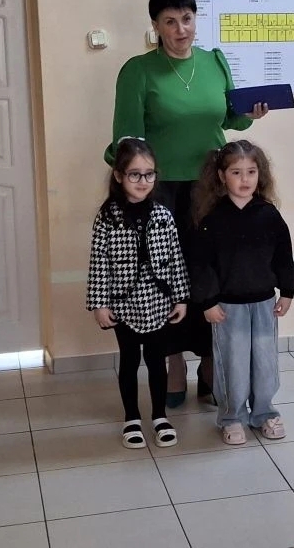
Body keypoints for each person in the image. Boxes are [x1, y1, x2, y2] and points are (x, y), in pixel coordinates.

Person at [105, 0, 268, 407]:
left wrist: (249, 113)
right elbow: (126, 137)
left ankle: (210, 364)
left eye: (187, 19)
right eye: (170, 21)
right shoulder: (139, 70)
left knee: (212, 273)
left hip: (211, 186)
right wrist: (131, 182)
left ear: (196, 19)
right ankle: (173, 363)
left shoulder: (214, 62)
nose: (181, 29)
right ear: (156, 26)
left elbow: (231, 119)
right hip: (160, 191)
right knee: (167, 278)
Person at [189, 140, 294, 444]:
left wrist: (287, 291)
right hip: (227, 308)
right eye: (236, 172)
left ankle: (264, 413)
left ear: (260, 175)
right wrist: (208, 301)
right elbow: (202, 265)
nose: (245, 179)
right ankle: (232, 416)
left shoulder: (269, 215)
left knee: (265, 362)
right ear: (222, 176)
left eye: (251, 171)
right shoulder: (212, 219)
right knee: (233, 364)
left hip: (264, 303)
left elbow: (283, 256)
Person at [87, 138, 190, 449]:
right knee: (130, 360)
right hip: (124, 304)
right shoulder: (108, 218)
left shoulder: (163, 215)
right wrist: (99, 303)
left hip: (158, 302)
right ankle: (131, 417)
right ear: (119, 175)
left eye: (149, 174)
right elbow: (99, 262)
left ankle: (159, 415)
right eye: (135, 174)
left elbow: (175, 258)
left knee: (157, 361)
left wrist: (181, 297)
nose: (143, 181)